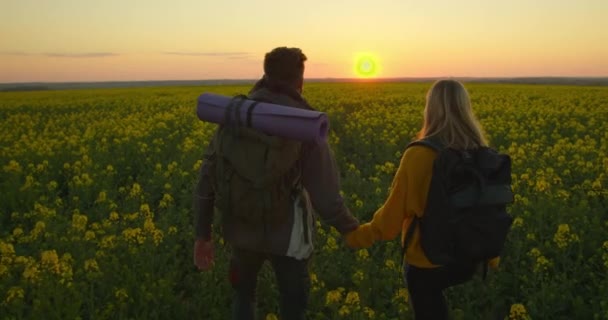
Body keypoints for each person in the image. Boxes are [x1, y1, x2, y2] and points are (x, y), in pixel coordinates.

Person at [193, 47, 359, 320]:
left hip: (241, 229)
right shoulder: (303, 123)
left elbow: (207, 178)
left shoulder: (235, 115)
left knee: (244, 296)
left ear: (265, 73)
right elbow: (326, 196)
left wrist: (202, 234)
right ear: (300, 80)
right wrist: (351, 229)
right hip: (288, 237)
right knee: (293, 304)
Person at [345, 79, 501, 320]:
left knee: (427, 300)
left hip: (428, 260)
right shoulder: (481, 153)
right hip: (469, 258)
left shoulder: (419, 154)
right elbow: (489, 206)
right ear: (466, 109)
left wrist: (359, 235)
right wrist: (490, 255)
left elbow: (391, 220)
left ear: (430, 109)